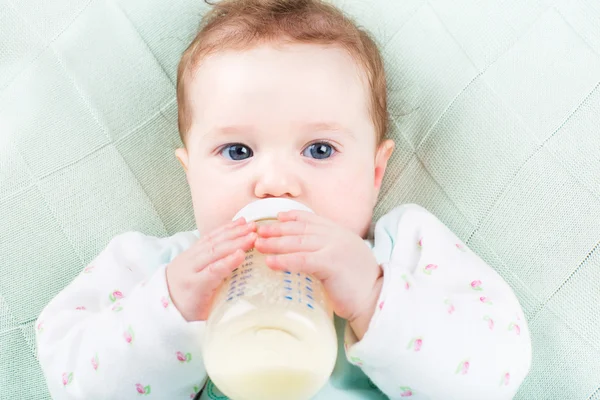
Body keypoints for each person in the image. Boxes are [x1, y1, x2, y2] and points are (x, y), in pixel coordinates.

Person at [36, 0, 532, 398]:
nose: (275, 184)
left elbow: (497, 371)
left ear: (375, 172)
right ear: (190, 174)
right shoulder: (155, 268)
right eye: (237, 151)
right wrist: (170, 307)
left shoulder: (405, 250)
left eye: (319, 150)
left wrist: (375, 295)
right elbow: (72, 379)